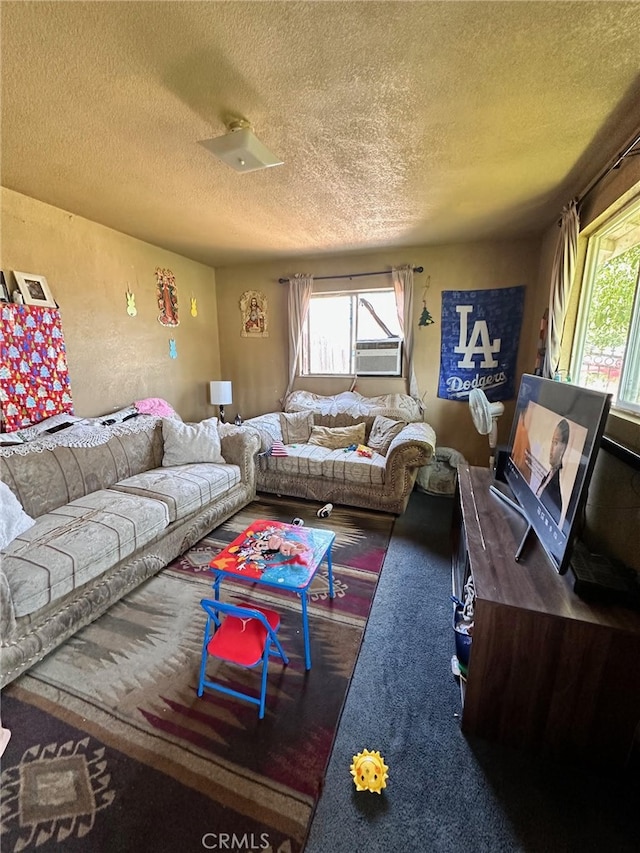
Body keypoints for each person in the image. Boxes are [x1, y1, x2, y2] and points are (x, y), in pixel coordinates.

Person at [536, 418, 570, 524]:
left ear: (563, 449)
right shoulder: (546, 478)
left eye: (556, 443)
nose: (551, 448)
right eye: (552, 442)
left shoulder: (557, 493)